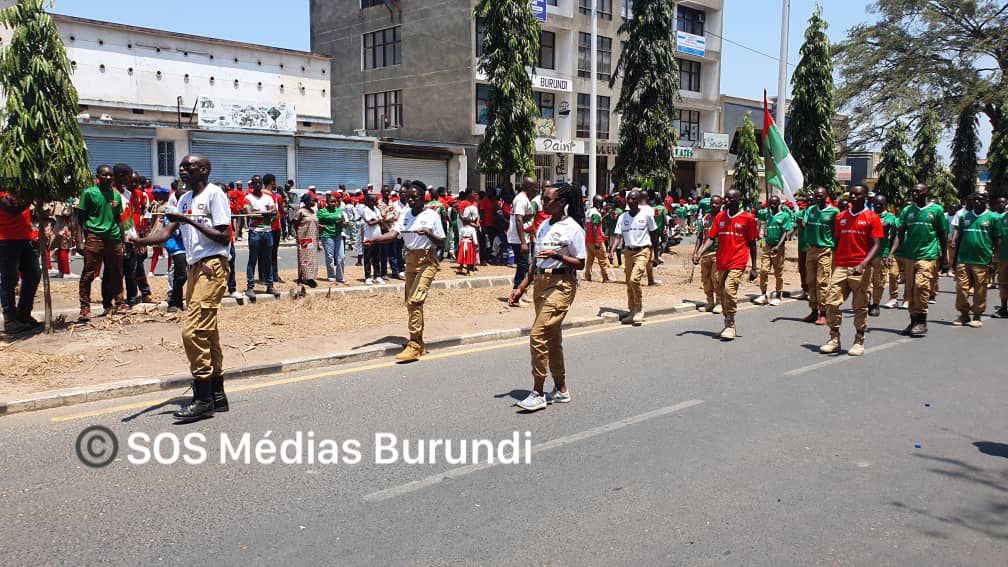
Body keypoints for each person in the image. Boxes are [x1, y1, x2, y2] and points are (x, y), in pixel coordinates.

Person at [129, 155, 231, 422]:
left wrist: (188, 220)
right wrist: (138, 240)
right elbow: (164, 234)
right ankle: (217, 393)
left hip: (213, 265)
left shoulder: (215, 195)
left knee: (193, 330)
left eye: (189, 166)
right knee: (208, 331)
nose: (183, 169)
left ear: (204, 170)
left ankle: (202, 398)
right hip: (196, 266)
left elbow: (224, 236)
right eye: (182, 166)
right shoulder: (183, 199)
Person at [509, 183, 586, 411]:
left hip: (561, 284)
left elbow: (581, 263)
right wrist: (521, 287)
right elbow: (535, 261)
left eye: (546, 200)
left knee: (538, 334)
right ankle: (561, 389)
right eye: (542, 199)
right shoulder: (543, 225)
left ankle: (538, 392)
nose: (542, 203)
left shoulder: (572, 228)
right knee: (552, 338)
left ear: (561, 203)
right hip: (541, 284)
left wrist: (558, 256)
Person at [365, 181, 445, 362]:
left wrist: (428, 234)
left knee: (416, 299)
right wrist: (374, 240)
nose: (410, 200)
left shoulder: (432, 215)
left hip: (427, 260)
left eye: (414, 197)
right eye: (408, 197)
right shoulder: (405, 214)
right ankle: (420, 343)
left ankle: (414, 345)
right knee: (410, 301)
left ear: (423, 197)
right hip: (410, 260)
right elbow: (394, 234)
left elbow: (442, 242)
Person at [819, 185, 883, 356]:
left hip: (860, 267)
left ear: (865, 197)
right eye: (851, 194)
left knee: (860, 306)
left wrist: (863, 264)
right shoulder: (841, 217)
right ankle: (834, 338)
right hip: (841, 265)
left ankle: (859, 340)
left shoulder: (872, 217)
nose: (853, 197)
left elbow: (876, 245)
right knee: (831, 302)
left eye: (857, 195)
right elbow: (838, 240)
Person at [693, 189, 758, 340]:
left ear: (738, 200)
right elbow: (710, 238)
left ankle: (731, 324)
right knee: (722, 293)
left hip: (738, 260)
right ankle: (726, 321)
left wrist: (754, 267)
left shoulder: (748, 218)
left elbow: (752, 243)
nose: (727, 201)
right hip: (722, 260)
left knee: (729, 289)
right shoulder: (720, 217)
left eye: (730, 199)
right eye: (726, 198)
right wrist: (699, 253)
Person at [894, 183, 948, 337]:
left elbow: (942, 236)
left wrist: (944, 259)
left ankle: (922, 322)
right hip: (910, 256)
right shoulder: (907, 211)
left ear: (926, 193)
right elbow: (900, 234)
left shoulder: (936, 210)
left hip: (927, 256)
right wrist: (892, 252)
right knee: (910, 291)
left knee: (921, 286)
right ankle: (913, 321)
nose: (915, 194)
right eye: (913, 191)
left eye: (918, 191)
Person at [76, 164, 128, 319]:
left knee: (117, 272)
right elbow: (80, 218)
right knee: (88, 273)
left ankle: (119, 302)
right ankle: (85, 307)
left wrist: (122, 239)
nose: (108, 178)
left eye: (110, 175)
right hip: (94, 236)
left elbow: (119, 219)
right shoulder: (89, 193)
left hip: (114, 237)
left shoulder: (116, 195)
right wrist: (79, 240)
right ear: (97, 176)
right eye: (104, 175)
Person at [610, 189, 658, 325]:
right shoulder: (622, 217)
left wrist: (656, 255)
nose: (630, 201)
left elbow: (654, 235)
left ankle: (639, 309)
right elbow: (618, 236)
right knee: (629, 284)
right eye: (629, 199)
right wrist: (612, 250)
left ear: (638, 201)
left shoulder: (646, 215)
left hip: (643, 251)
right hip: (628, 252)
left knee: (635, 279)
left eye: (633, 199)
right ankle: (632, 311)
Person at [951, 192, 998, 327]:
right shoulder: (965, 216)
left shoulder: (992, 217)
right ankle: (964, 314)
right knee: (961, 288)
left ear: (986, 200)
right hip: (963, 259)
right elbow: (959, 238)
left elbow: (997, 240)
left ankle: (977, 315)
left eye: (980, 199)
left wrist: (994, 260)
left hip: (982, 260)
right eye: (975, 199)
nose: (977, 202)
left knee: (980, 289)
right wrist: (954, 260)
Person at [0, 192, 41, 333]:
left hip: (24, 237)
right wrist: (32, 195)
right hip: (6, 238)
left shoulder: (21, 187)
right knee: (9, 278)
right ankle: (9, 320)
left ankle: (23, 313)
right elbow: (12, 208)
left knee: (34, 274)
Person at [801, 187, 839, 325]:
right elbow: (804, 224)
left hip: (825, 250)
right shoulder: (810, 210)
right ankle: (813, 310)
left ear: (826, 196)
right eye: (816, 195)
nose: (818, 197)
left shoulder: (834, 212)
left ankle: (823, 312)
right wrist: (801, 222)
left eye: (821, 195)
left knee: (822, 281)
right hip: (811, 248)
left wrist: (836, 248)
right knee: (810, 281)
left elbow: (838, 231)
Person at [243, 175, 278, 299]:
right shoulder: (248, 198)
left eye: (259, 183)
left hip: (267, 232)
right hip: (255, 232)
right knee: (253, 259)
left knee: (268, 260)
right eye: (255, 183)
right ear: (252, 184)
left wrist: (259, 214)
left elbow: (274, 212)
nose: (257, 185)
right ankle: (250, 287)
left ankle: (270, 285)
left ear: (262, 184)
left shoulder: (268, 197)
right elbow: (249, 214)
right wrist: (265, 214)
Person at [754, 195, 793, 306]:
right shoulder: (767, 215)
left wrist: (778, 246)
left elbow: (786, 232)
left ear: (779, 203)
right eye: (770, 203)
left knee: (778, 273)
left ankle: (778, 294)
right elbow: (757, 211)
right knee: (763, 270)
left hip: (778, 247)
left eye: (774, 203)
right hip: (767, 246)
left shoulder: (784, 216)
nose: (772, 205)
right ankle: (763, 294)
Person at [693, 194, 724, 313]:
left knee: (716, 278)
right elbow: (700, 236)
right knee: (706, 279)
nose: (713, 205)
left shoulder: (724, 218)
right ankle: (709, 302)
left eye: (716, 203)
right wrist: (696, 253)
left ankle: (719, 302)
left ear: (721, 204)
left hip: (718, 252)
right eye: (712, 203)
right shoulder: (705, 218)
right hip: (705, 253)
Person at [870, 194, 901, 314]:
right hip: (867, 253)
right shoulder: (870, 215)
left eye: (880, 204)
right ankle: (866, 302)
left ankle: (876, 304)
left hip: (882, 253)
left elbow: (885, 225)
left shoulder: (890, 217)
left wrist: (869, 224)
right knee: (865, 281)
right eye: (876, 203)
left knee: (879, 281)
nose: (878, 206)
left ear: (885, 205)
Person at [508, 178, 537, 295]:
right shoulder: (521, 200)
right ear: (529, 188)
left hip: (523, 236)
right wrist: (523, 243)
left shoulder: (524, 199)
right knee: (523, 266)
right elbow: (519, 220)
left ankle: (519, 292)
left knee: (524, 265)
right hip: (519, 238)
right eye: (535, 187)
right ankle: (517, 292)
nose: (536, 190)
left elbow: (526, 219)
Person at [292, 193, 320, 290]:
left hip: (313, 238)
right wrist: (298, 235)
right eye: (312, 200)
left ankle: (310, 277)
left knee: (312, 259)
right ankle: (302, 278)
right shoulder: (301, 211)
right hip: (304, 238)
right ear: (306, 201)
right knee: (304, 258)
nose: (314, 202)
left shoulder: (313, 211)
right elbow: (295, 224)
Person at [318, 192, 347, 284]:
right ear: (327, 202)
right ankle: (331, 275)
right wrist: (320, 226)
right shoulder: (322, 212)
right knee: (330, 257)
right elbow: (315, 222)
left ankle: (340, 276)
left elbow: (344, 223)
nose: (333, 204)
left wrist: (343, 224)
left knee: (341, 257)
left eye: (335, 202)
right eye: (331, 202)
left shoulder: (339, 211)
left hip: (338, 235)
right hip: (327, 236)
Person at [583, 194, 610, 283]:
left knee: (590, 259)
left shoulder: (588, 212)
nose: (603, 204)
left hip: (588, 240)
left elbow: (589, 226)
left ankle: (587, 276)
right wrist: (597, 241)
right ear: (598, 203)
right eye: (601, 203)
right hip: (596, 240)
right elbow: (594, 227)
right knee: (603, 259)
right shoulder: (596, 214)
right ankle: (605, 277)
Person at [361, 191, 386, 285]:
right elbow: (370, 223)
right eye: (374, 200)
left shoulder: (376, 209)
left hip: (377, 237)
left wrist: (380, 221)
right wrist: (379, 220)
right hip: (368, 238)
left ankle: (377, 276)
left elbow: (380, 222)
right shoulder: (365, 210)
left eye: (376, 199)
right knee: (368, 258)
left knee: (377, 258)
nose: (376, 201)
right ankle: (368, 277)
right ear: (368, 201)